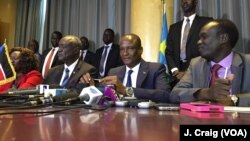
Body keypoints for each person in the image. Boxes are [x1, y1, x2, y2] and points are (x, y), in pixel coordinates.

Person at [170, 19, 250, 106]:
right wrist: (206, 93)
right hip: (203, 119)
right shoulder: (196, 64)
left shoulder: (247, 62)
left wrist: (234, 100)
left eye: (204, 37)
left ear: (223, 38)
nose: (198, 42)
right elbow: (174, 95)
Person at [81, 34, 171, 103]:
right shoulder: (114, 71)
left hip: (145, 121)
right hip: (117, 120)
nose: (125, 53)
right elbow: (106, 97)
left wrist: (127, 91)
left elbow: (165, 95)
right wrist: (91, 85)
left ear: (140, 50)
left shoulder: (155, 69)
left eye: (130, 48)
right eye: (122, 49)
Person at [165, 0, 213, 87]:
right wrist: (175, 71)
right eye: (182, 0)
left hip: (198, 74)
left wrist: (187, 72)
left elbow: (209, 48)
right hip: (176, 78)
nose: (184, 2)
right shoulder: (174, 27)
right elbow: (169, 52)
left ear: (195, 2)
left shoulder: (207, 23)